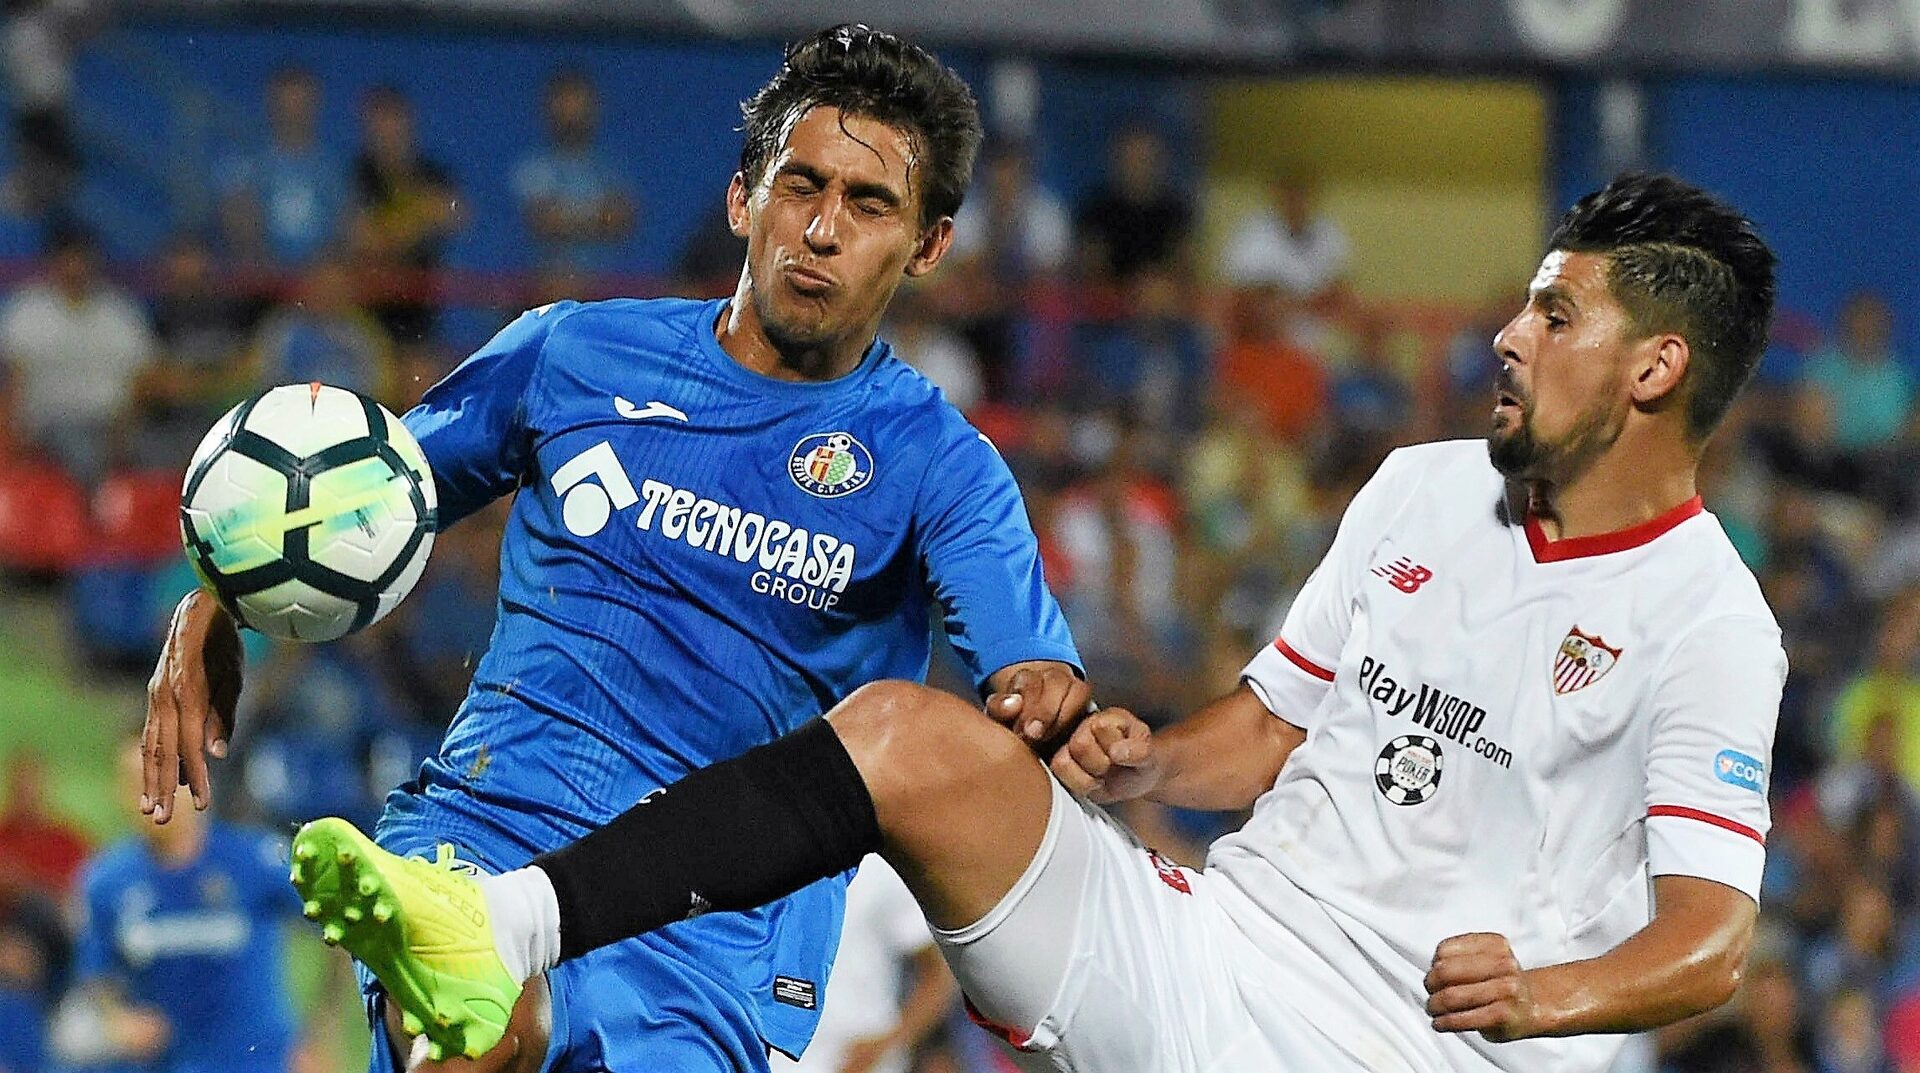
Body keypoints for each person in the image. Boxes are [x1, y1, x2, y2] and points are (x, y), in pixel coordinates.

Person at [287, 172, 1786, 1073]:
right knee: (907, 738)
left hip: (1412, 1045)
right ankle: (501, 921)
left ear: (1655, 368)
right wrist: (1154, 763)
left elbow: (1711, 940)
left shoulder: (1709, 622)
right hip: (1210, 945)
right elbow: (1274, 726)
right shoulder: (1423, 487)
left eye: (1555, 315)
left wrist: (1552, 993)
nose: (1510, 333)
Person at [139, 24, 1088, 1073]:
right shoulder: (574, 353)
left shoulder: (942, 469)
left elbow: (1031, 676)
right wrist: (213, 597)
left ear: (929, 245)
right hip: (486, 827)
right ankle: (472, 974)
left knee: (485, 1018)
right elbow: (348, 503)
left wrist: (1052, 704)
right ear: (743, 198)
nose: (821, 230)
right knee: (471, 1025)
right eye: (800, 185)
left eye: (869, 205)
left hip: (712, 930)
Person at [61, 741, 342, 1073]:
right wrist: (118, 1020)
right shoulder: (108, 881)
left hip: (258, 1062)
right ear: (121, 793)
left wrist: (320, 1035)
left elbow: (341, 927)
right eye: (138, 782)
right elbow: (96, 974)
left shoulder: (254, 859)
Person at [768, 855, 955, 1073]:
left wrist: (885, 1046)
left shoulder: (881, 871)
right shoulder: (762, 862)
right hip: (775, 1061)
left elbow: (938, 977)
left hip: (862, 1063)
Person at [511, 69, 636, 274]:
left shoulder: (608, 167)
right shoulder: (533, 167)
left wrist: (569, 218)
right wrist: (598, 218)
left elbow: (621, 219)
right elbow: (545, 222)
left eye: (578, 102)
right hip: (548, 280)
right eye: (564, 103)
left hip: (604, 279)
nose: (571, 112)